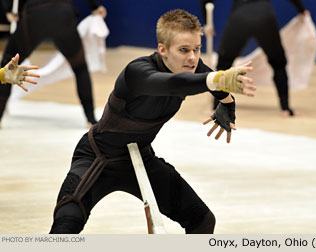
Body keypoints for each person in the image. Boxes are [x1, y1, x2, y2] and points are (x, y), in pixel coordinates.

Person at [49, 9, 256, 234]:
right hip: (97, 158)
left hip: (140, 158)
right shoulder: (136, 72)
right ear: (162, 49)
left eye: (197, 49)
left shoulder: (193, 68)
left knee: (202, 220)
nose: (193, 58)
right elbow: (174, 83)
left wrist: (227, 102)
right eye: (184, 50)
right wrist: (215, 80)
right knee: (65, 225)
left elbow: (207, 82)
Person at [0, 0, 107, 128]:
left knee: (7, 68)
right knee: (80, 68)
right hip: (63, 13)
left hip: (35, 13)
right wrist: (95, 6)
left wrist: (9, 10)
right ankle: (91, 120)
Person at [199, 0, 309, 116]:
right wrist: (301, 10)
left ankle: (216, 108)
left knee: (223, 65)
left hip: (240, 17)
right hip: (265, 17)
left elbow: (205, 1)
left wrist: (207, 23)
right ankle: (286, 109)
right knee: (278, 63)